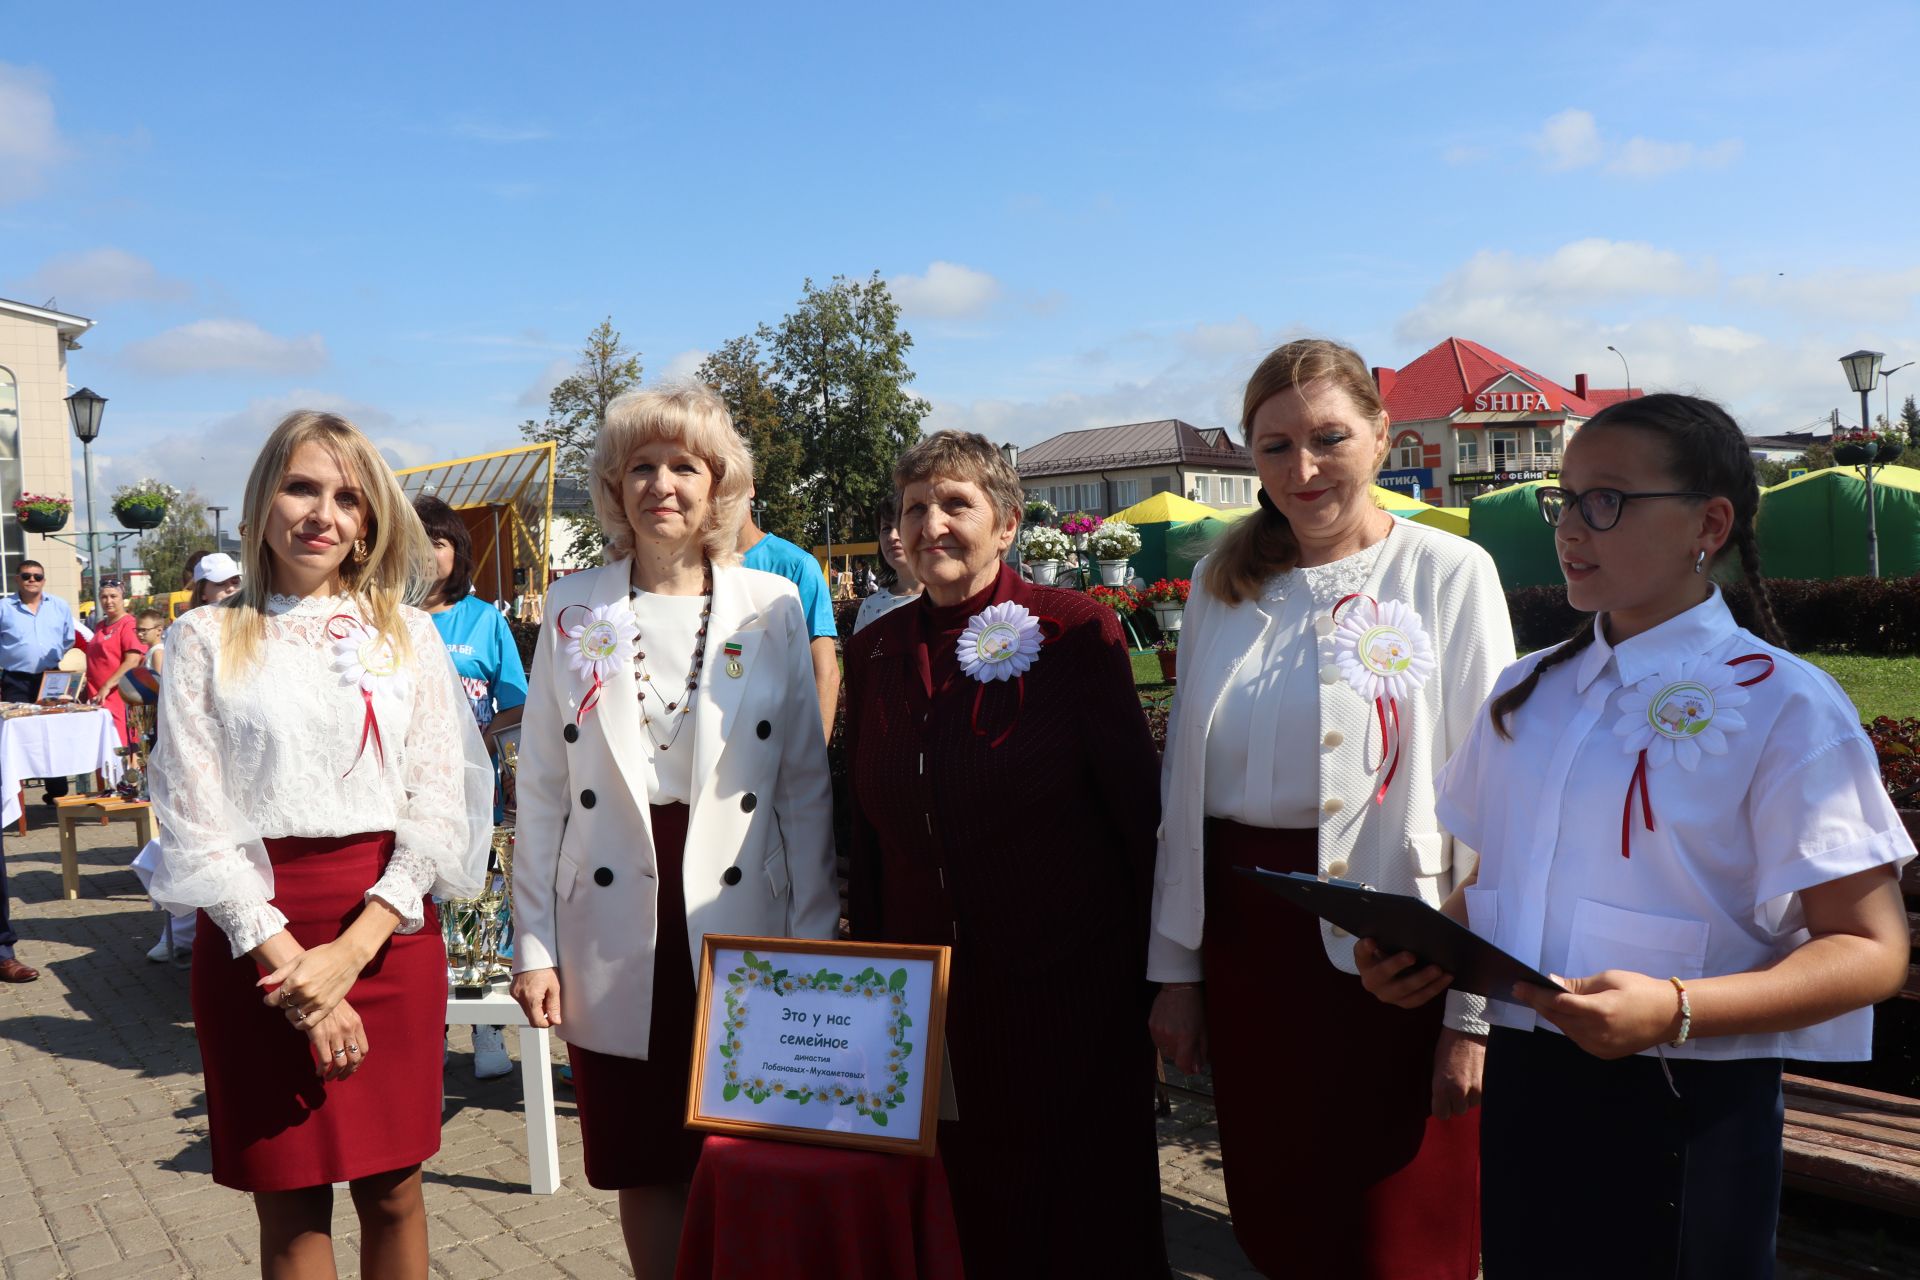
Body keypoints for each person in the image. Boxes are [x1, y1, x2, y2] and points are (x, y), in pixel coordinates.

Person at [1357, 393, 1913, 1279]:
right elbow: (1499, 881)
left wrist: (1678, 1009)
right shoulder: (1525, 693)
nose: (1571, 527)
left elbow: (1871, 949)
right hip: (1532, 1084)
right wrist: (1428, 956)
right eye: (1564, 498)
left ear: (1710, 522)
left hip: (1689, 1097)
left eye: (1605, 500)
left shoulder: (1787, 705)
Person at [1148, 339, 1512, 1279]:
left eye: (1328, 439)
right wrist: (1177, 972)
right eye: (1274, 448)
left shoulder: (1450, 572)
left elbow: (1496, 801)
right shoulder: (1219, 587)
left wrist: (1471, 1013)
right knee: (1283, 1218)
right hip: (1249, 949)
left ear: (1383, 437)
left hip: (1395, 952)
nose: (1302, 471)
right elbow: (1185, 795)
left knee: (1397, 1233)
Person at [147, 409, 491, 1278]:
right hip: (254, 935)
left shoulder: (408, 634)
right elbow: (193, 817)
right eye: (302, 487)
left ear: (370, 519)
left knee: (394, 1188)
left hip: (387, 925)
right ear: (264, 498)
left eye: (348, 497)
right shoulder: (200, 639)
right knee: (292, 1201)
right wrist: (293, 966)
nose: (322, 514)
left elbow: (439, 800)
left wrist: (354, 949)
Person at [511, 386, 835, 1280]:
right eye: (641, 467)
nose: (662, 485)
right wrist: (532, 944)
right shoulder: (573, 606)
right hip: (611, 921)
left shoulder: (771, 605)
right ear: (615, 487)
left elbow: (806, 787)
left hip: (740, 910)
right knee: (642, 1156)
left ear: (718, 482)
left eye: (684, 466)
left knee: (743, 1147)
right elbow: (539, 788)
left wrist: (812, 937)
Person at [845, 431, 1168, 1278]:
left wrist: (1169, 979)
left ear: (1008, 523)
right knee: (967, 1218)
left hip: (1069, 992)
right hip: (931, 998)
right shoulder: (874, 652)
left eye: (956, 503)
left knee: (1080, 1222)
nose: (932, 525)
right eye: (915, 508)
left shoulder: (1073, 634)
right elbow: (864, 834)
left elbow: (1141, 819)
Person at [414, 493, 528, 1080]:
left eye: (439, 541)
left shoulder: (484, 620)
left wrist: (480, 740)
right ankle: (424, 1031)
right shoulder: (381, 617)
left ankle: (486, 1029)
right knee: (416, 912)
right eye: (417, 540)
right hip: (404, 799)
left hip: (475, 798)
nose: (428, 553)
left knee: (480, 912)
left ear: (458, 553)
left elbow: (516, 702)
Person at [134, 552, 243, 965]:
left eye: (235, 580)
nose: (230, 588)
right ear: (202, 589)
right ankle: (178, 936)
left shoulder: (252, 623)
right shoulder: (186, 630)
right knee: (190, 846)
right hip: (199, 751)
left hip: (236, 753)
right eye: (221, 583)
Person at [0, 558, 74, 982]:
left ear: (44, 580)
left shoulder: (59, 607)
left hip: (48, 676)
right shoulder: (4, 607)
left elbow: (66, 639)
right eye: (25, 576)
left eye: (37, 576)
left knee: (51, 739)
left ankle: (57, 791)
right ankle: (18, 790)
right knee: (19, 738)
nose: (31, 582)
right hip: (13, 679)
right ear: (18, 580)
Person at [738, 493, 838, 740]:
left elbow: (825, 671)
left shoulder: (797, 566)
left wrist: (813, 761)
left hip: (775, 744)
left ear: (750, 485)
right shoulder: (691, 566)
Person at [83, 580, 147, 747]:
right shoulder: (99, 626)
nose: (108, 601)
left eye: (113, 596)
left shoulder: (129, 624)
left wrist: (107, 685)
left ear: (122, 598)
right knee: (100, 749)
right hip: (96, 697)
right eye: (104, 597)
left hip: (118, 696)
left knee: (119, 747)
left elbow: (132, 661)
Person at [851, 497, 922, 634]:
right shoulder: (870, 607)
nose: (892, 536)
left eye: (901, 526)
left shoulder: (949, 599)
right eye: (886, 528)